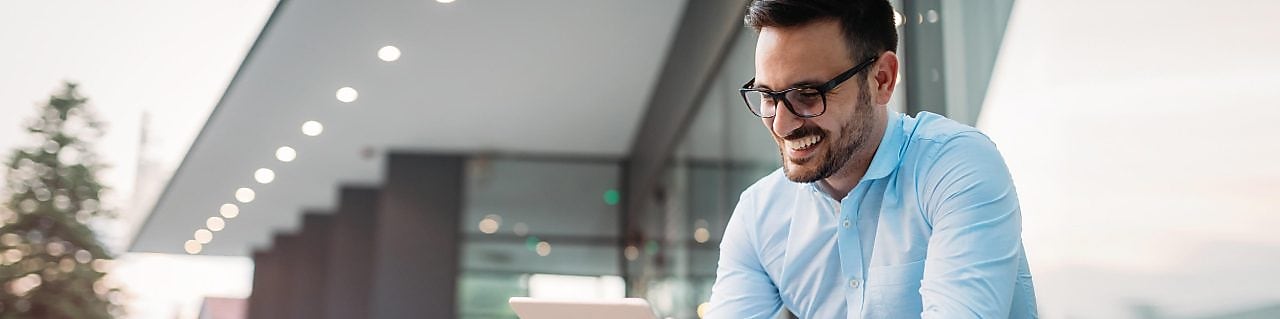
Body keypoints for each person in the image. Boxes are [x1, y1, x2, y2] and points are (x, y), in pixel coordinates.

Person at [706, 0, 1037, 317]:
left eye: (808, 95)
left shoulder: (955, 166)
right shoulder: (759, 216)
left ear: (882, 79)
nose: (781, 124)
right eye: (767, 97)